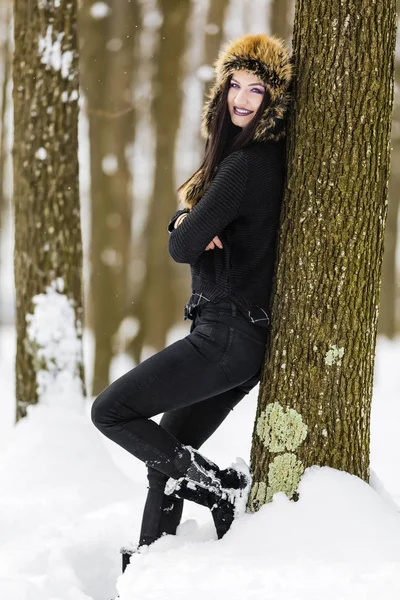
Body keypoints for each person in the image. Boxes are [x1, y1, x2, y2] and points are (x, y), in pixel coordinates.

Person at [91, 32, 293, 569]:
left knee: (110, 411)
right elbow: (186, 231)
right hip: (238, 341)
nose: (243, 98)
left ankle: (223, 487)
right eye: (235, 84)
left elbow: (182, 247)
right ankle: (154, 563)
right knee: (167, 461)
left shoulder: (245, 166)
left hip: (224, 336)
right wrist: (185, 220)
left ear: (274, 102)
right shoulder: (255, 163)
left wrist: (184, 225)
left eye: (258, 89)